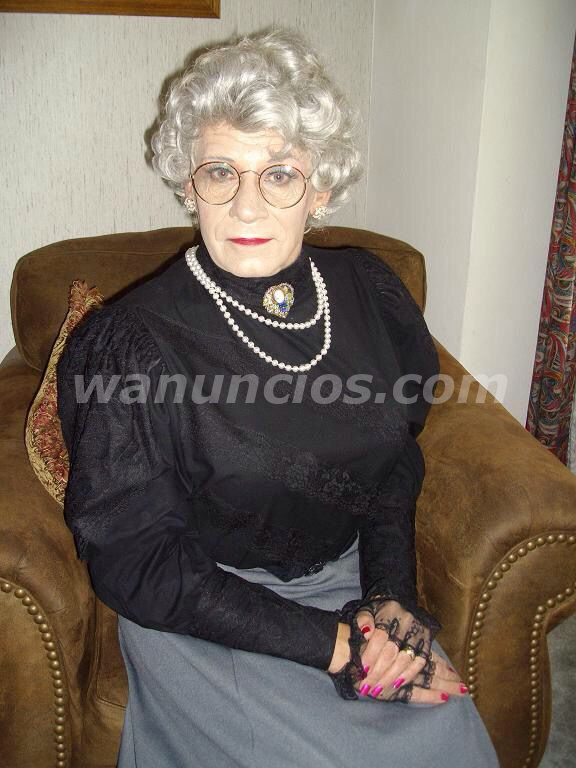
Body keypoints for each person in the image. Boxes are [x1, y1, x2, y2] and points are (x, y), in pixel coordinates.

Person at [57, 29, 499, 768]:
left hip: (347, 580)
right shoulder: (132, 347)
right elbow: (139, 561)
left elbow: (394, 459)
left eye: (280, 175)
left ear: (320, 190)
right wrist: (339, 647)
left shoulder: (370, 293)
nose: (247, 206)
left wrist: (388, 599)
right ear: (188, 184)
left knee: (448, 743)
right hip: (204, 607)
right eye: (220, 173)